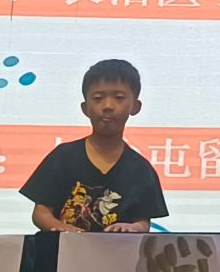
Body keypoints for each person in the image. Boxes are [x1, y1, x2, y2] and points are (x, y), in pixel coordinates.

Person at [21, 58, 166, 232]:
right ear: (85, 108)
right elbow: (41, 213)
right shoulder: (63, 157)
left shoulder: (141, 170)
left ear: (135, 106)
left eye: (119, 98)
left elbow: (143, 223)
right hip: (64, 249)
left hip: (118, 249)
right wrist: (62, 228)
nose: (108, 106)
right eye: (98, 98)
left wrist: (132, 228)